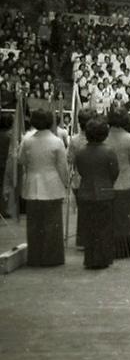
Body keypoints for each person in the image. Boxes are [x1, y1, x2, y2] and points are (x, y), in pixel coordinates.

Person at [19, 109, 68, 267]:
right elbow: (62, 167)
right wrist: (65, 183)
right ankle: (51, 258)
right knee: (52, 223)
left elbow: (22, 160)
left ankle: (35, 256)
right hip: (52, 183)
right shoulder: (57, 141)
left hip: (32, 182)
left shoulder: (27, 140)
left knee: (34, 224)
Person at [74, 118, 118, 270]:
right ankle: (103, 258)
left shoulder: (80, 152)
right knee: (104, 227)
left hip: (85, 191)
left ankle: (90, 258)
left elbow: (80, 170)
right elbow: (114, 172)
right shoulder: (109, 151)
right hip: (105, 191)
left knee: (89, 227)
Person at [105, 107, 130, 259]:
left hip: (106, 181)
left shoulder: (102, 137)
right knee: (124, 217)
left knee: (108, 216)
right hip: (125, 180)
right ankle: (123, 249)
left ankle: (108, 247)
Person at [66, 107, 95, 248]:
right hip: (90, 180)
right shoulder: (98, 139)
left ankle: (82, 240)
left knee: (83, 212)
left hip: (79, 180)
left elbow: (70, 160)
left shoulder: (74, 141)